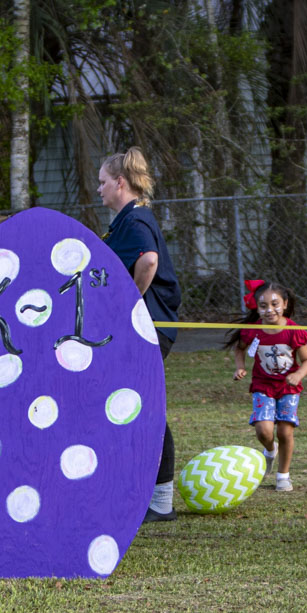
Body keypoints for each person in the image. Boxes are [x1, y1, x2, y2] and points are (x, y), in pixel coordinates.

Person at [98, 146, 182, 523]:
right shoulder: (126, 221)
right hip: (139, 331)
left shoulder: (135, 219)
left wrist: (130, 301)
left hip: (147, 329)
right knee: (131, 407)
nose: (98, 189)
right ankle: (138, 491)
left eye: (102, 182)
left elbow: (148, 260)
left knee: (144, 409)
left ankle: (161, 502)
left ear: (120, 182)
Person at [225, 279, 307, 491]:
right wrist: (240, 367)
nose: (269, 310)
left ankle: (283, 476)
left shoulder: (294, 331)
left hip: (288, 388)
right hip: (262, 386)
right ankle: (270, 450)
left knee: (284, 431)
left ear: (285, 304)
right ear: (257, 307)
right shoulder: (253, 331)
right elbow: (240, 348)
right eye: (263, 306)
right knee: (263, 431)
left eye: (275, 304)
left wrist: (298, 375)